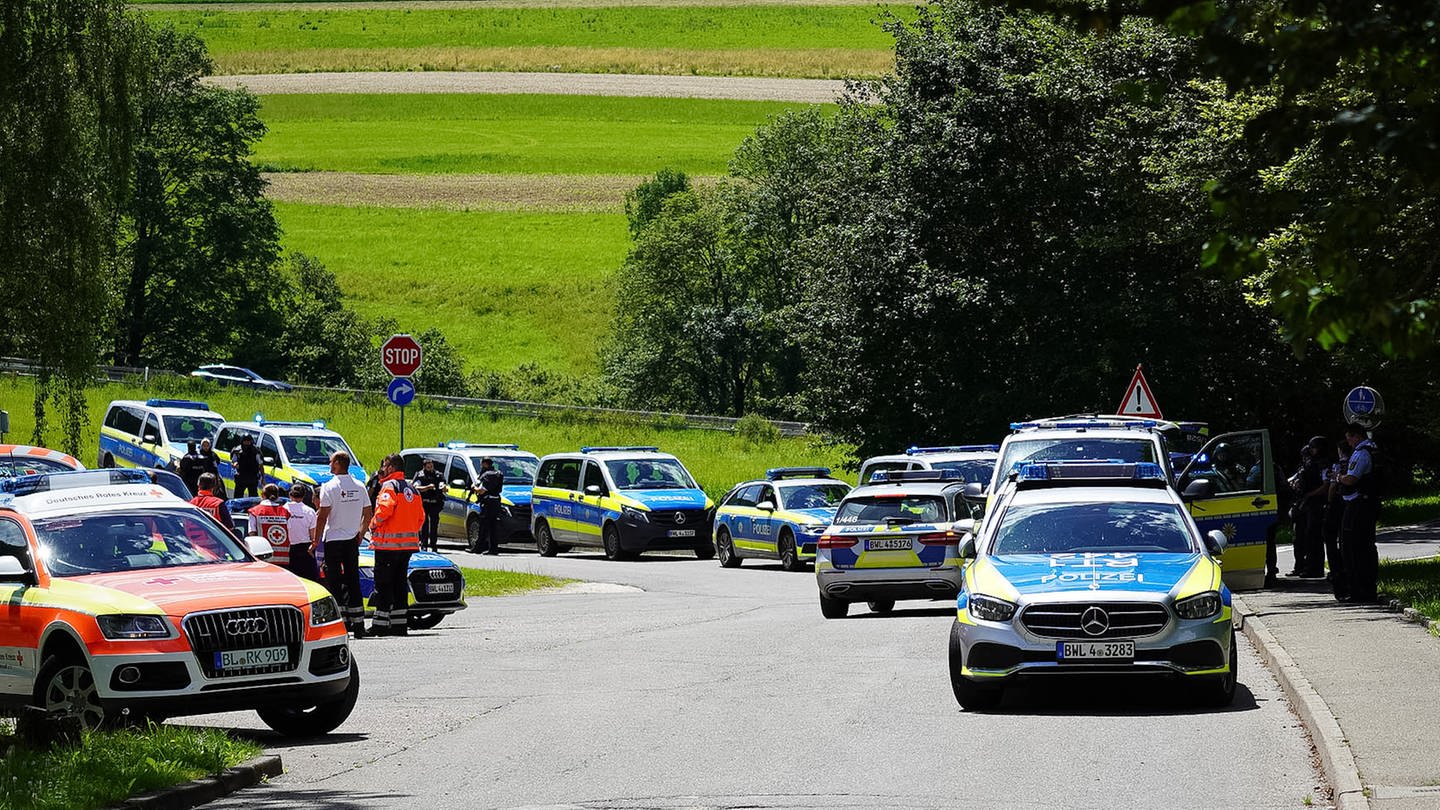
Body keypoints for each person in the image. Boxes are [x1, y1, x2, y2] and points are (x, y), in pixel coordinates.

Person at [315, 451, 373, 637]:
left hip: (333, 540)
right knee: (353, 581)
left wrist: (315, 541)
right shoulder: (359, 486)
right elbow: (368, 513)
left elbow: (322, 517)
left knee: (335, 581)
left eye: (331, 462)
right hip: (351, 540)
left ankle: (340, 624)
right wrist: (361, 533)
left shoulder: (329, 487)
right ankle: (358, 625)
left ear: (339, 463)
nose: (329, 465)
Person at [368, 453, 423, 636]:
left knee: (383, 584)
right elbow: (421, 518)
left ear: (391, 467)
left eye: (384, 466)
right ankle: (400, 625)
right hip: (408, 546)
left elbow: (384, 510)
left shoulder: (389, 486)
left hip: (387, 546)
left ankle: (380, 625)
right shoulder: (412, 489)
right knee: (400, 584)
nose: (382, 469)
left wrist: (373, 524)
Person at [1335, 424, 1381, 603]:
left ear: (1357, 436)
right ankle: (1368, 588)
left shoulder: (1361, 453)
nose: (1349, 442)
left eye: (1349, 438)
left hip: (1359, 505)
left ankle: (1358, 590)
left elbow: (1351, 478)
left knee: (1352, 548)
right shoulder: (1374, 448)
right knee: (1367, 547)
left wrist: (1338, 477)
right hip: (1369, 502)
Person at [1292, 437, 1331, 578]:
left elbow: (1325, 485)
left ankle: (1315, 568)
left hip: (1317, 503)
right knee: (1305, 536)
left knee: (1314, 536)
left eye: (1313, 447)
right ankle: (1306, 566)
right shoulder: (1311, 463)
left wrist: (1310, 494)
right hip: (1308, 502)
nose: (1311, 450)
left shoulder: (1323, 463)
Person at [1322, 440, 1351, 589]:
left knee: (1330, 538)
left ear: (1340, 450)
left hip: (1336, 504)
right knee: (1345, 539)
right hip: (1349, 503)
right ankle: (1346, 568)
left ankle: (1336, 570)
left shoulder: (1338, 465)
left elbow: (1332, 486)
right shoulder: (1354, 461)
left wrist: (1328, 502)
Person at [248, 484, 294, 568]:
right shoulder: (285, 512)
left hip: (263, 557)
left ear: (262, 495)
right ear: (277, 497)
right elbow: (290, 533)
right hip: (283, 559)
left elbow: (252, 534)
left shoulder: (255, 511)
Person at [284, 483, 320, 581]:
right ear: (303, 496)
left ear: (290, 495)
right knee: (308, 581)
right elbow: (313, 534)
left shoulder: (283, 510)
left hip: (287, 549)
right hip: (305, 549)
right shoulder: (309, 511)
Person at [470, 457, 505, 555]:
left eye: (482, 464)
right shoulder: (498, 473)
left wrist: (474, 488)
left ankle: (479, 548)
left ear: (485, 464)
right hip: (496, 501)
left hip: (488, 502)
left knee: (484, 526)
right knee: (493, 526)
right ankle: (493, 548)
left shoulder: (487, 475)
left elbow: (482, 490)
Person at [413, 457, 446, 553]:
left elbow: (442, 484)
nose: (430, 468)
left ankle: (434, 545)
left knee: (434, 525)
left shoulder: (438, 475)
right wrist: (427, 487)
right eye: (428, 467)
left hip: (435, 503)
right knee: (424, 525)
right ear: (424, 467)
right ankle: (424, 545)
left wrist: (443, 487)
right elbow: (416, 487)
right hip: (424, 503)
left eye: (431, 466)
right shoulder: (420, 475)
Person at [189, 473, 237, 538]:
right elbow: (230, 526)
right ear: (214, 487)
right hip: (215, 545)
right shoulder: (218, 503)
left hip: (193, 545)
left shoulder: (190, 504)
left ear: (199, 486)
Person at [231, 434, 264, 499]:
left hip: (252, 477)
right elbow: (233, 462)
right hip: (240, 477)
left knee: (253, 498)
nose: (247, 443)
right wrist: (234, 464)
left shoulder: (256, 451)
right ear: (242, 441)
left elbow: (261, 465)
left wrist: (263, 477)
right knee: (238, 497)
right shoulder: (237, 451)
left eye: (248, 441)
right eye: (245, 441)